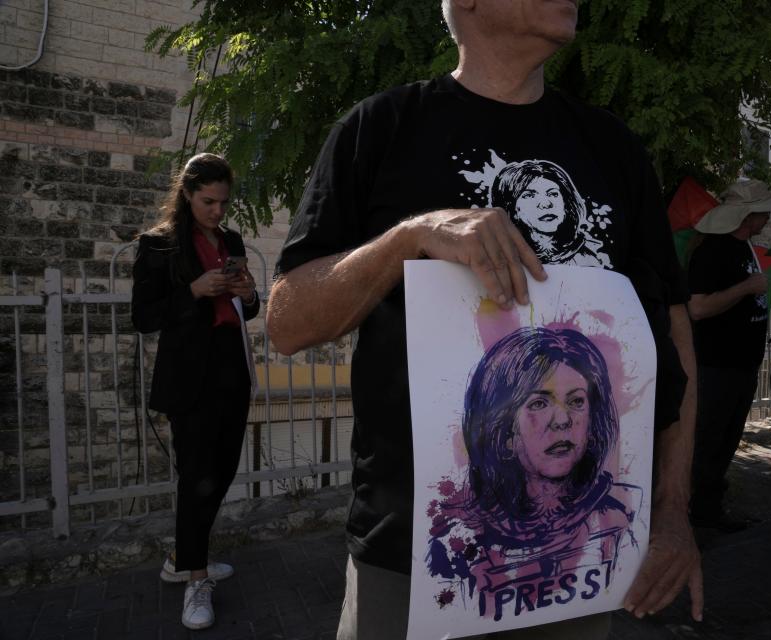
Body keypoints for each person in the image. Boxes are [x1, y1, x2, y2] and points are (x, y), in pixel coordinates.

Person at [267, 1, 702, 638]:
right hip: (418, 555)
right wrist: (410, 238)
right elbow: (287, 322)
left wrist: (672, 508)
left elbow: (674, 333)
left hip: (582, 560)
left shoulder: (614, 149)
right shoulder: (381, 129)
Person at [426, 327, 636, 618]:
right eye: (539, 403)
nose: (562, 420)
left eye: (576, 401)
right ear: (503, 431)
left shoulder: (616, 518)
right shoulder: (458, 538)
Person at [131, 153, 259, 630]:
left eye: (223, 202)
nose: (217, 212)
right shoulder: (160, 245)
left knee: (222, 471)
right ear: (186, 194)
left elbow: (251, 306)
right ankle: (195, 579)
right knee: (197, 476)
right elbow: (143, 317)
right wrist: (194, 291)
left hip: (232, 369)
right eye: (208, 201)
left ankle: (182, 555)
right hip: (189, 376)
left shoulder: (231, 240)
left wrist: (246, 294)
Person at [686, 179, 771, 531]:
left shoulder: (744, 247)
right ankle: (696, 516)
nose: (769, 217)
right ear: (747, 215)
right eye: (763, 211)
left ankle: (709, 512)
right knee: (709, 441)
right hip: (717, 365)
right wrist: (746, 288)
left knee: (723, 443)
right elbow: (697, 308)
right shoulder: (714, 252)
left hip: (739, 365)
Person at [490, 159, 610, 267]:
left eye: (553, 194)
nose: (546, 204)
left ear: (566, 203)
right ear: (511, 208)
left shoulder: (592, 258)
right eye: (529, 195)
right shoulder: (496, 255)